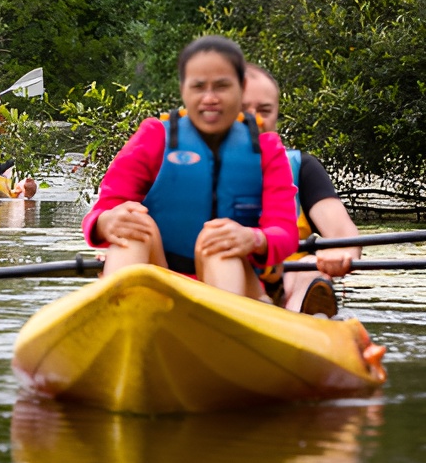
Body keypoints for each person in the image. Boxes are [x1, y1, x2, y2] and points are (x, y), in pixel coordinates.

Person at [83, 36, 299, 299]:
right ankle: (120, 314)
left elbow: (285, 233)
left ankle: (225, 325)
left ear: (241, 87)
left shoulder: (267, 150)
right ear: (183, 89)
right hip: (160, 279)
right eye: (198, 87)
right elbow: (102, 210)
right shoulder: (154, 137)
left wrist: (253, 239)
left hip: (237, 284)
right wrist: (105, 223)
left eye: (221, 86)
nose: (209, 98)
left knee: (219, 242)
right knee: (133, 225)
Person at [242, 64, 359, 316]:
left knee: (309, 266)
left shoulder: (302, 168)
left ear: (276, 115)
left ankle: (298, 322)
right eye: (243, 110)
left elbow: (345, 236)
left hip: (290, 284)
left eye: (265, 110)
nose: (256, 119)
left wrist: (337, 256)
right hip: (223, 281)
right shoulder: (190, 167)